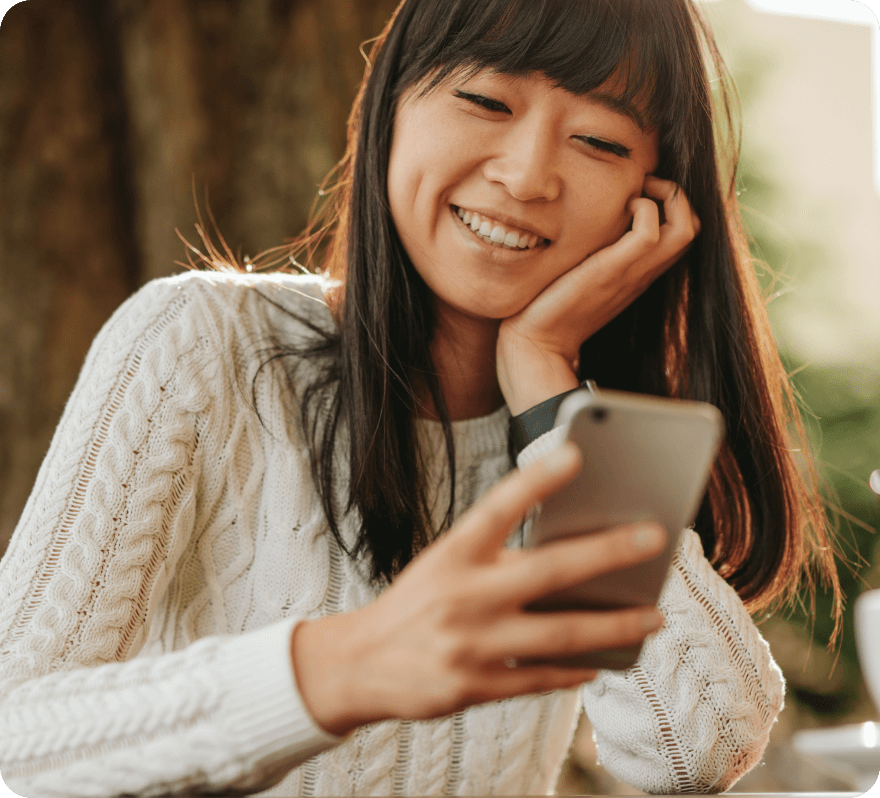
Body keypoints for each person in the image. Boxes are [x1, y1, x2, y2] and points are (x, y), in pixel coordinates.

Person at [0, 0, 841, 795]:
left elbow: (699, 749)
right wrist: (336, 670)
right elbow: (15, 732)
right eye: (484, 99)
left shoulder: (593, 442)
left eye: (598, 142)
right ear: (386, 109)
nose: (526, 175)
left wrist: (547, 386)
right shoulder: (201, 340)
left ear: (654, 201)